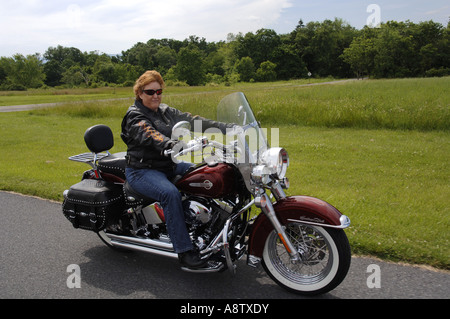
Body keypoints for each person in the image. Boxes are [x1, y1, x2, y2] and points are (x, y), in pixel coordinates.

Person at [121, 70, 234, 268]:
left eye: (159, 91)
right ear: (139, 93)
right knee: (170, 193)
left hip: (168, 166)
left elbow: (193, 120)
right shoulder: (134, 116)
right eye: (150, 92)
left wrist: (229, 127)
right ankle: (184, 251)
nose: (156, 95)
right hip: (142, 171)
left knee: (209, 174)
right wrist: (170, 145)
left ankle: (213, 228)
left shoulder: (165, 111)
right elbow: (150, 134)